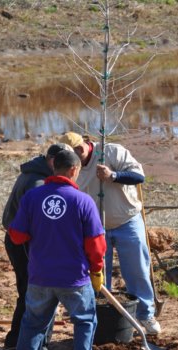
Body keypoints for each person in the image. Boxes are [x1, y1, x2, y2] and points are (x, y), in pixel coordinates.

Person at [6, 150, 106, 350]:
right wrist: (97, 269)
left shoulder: (32, 198)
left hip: (40, 277)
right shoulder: (83, 201)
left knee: (32, 326)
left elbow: (17, 235)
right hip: (74, 279)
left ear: (54, 168)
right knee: (84, 323)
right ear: (74, 170)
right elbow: (96, 244)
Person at [59, 132, 161, 335]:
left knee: (137, 270)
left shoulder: (112, 152)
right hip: (96, 228)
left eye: (80, 148)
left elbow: (139, 177)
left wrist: (113, 176)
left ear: (87, 143)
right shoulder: (72, 167)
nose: (79, 154)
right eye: (74, 152)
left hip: (127, 221)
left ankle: (145, 314)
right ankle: (99, 318)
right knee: (97, 276)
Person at [1, 143, 72, 350]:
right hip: (25, 243)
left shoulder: (34, 173)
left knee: (28, 293)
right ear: (52, 160)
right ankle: (39, 348)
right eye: (60, 162)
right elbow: (40, 224)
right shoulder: (38, 183)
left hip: (18, 241)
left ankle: (14, 342)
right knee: (43, 295)